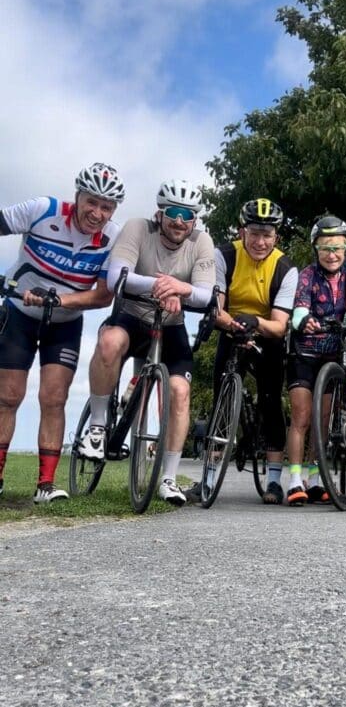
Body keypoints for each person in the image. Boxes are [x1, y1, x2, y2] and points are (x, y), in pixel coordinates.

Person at [78, 179, 215, 506]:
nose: (180, 220)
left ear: (195, 218)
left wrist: (181, 290)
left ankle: (168, 478)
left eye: (188, 214)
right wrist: (166, 286)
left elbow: (206, 294)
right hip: (132, 316)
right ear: (160, 213)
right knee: (109, 342)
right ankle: (98, 427)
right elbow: (116, 278)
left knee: (180, 392)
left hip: (171, 325)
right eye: (173, 212)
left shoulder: (202, 241)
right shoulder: (138, 228)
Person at [0, 162, 125, 502]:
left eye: (106, 207)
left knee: (54, 399)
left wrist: (59, 298)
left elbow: (103, 294)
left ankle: (45, 485)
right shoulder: (42, 210)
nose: (97, 213)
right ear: (78, 197)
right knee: (8, 396)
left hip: (65, 323)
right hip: (19, 314)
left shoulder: (114, 238)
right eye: (91, 202)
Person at [186, 198, 298, 506]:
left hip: (267, 334)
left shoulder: (285, 268)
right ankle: (207, 479)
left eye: (268, 234)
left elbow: (279, 326)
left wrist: (256, 324)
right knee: (220, 399)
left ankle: (274, 481)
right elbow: (217, 307)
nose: (261, 241)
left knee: (272, 401)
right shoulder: (224, 255)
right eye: (254, 233)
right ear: (242, 231)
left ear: (276, 237)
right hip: (231, 328)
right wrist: (237, 326)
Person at [286, 216, 346, 506]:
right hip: (304, 353)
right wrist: (305, 320)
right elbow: (298, 309)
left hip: (333, 356)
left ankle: (316, 477)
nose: (332, 254)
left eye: (337, 247)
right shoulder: (308, 275)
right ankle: (295, 480)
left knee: (322, 421)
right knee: (301, 416)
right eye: (325, 248)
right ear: (316, 249)